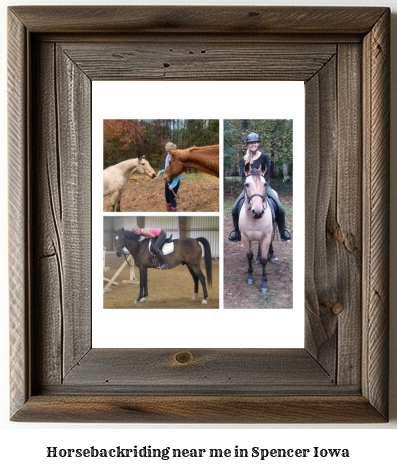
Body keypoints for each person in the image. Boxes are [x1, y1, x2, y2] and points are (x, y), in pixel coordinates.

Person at [228, 131, 291, 243]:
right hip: (249, 188)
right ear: (248, 145)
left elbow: (267, 174)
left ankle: (283, 231)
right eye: (251, 143)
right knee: (234, 208)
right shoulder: (245, 159)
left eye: (255, 143)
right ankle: (237, 232)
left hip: (263, 186)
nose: (253, 144)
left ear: (258, 144)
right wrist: (248, 185)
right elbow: (243, 176)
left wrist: (261, 184)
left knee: (280, 208)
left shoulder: (264, 157)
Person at [157, 142, 183, 212]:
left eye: (169, 151)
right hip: (168, 179)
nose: (168, 153)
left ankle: (174, 211)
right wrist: (161, 172)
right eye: (167, 151)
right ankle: (169, 210)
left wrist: (173, 184)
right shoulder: (168, 156)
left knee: (172, 197)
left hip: (175, 181)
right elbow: (167, 168)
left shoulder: (177, 157)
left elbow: (178, 172)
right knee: (167, 197)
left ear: (173, 149)